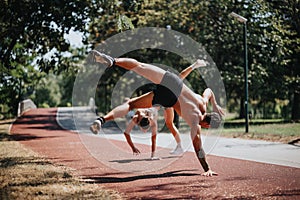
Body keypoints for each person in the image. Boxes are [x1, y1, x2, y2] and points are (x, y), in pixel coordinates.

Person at [89, 50, 225, 176]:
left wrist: (215, 104)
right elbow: (198, 149)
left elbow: (208, 90)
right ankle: (102, 120)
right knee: (131, 105)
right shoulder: (196, 123)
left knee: (140, 66)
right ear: (207, 125)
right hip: (169, 99)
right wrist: (207, 169)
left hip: (175, 83)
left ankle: (113, 61)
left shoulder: (202, 102)